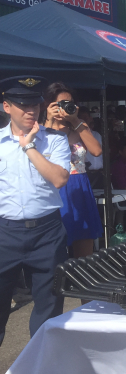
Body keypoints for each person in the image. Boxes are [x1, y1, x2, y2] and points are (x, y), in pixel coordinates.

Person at [0, 76, 71, 346]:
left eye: (35, 104)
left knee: (49, 310)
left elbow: (59, 179)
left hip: (46, 233)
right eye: (22, 105)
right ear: (7, 107)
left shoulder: (54, 141)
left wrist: (29, 146)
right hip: (5, 232)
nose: (31, 110)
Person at [42, 82, 103, 261]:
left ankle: (81, 284)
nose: (66, 108)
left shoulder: (80, 125)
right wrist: (49, 121)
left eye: (70, 103)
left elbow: (97, 151)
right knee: (54, 246)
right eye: (60, 104)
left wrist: (75, 121)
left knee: (83, 244)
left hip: (79, 187)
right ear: (49, 105)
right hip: (54, 188)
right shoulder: (40, 128)